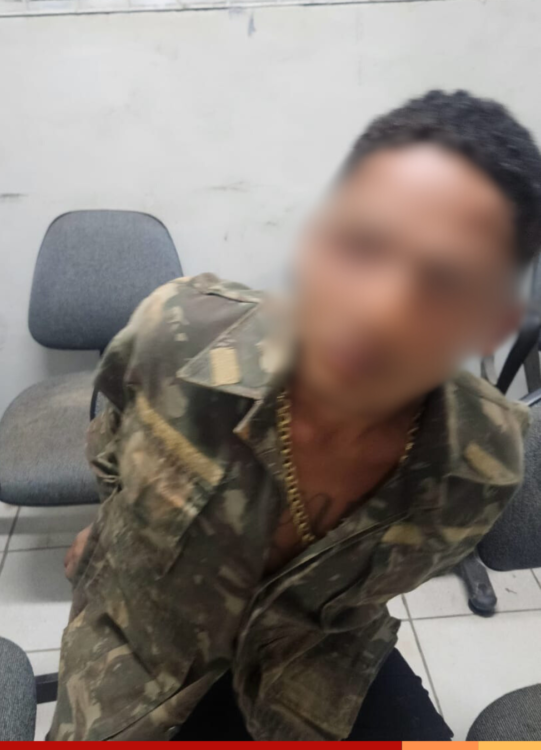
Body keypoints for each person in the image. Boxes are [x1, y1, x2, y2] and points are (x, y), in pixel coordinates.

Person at [50, 90, 541, 741]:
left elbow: (370, 591)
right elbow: (113, 435)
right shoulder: (179, 334)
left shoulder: (481, 464)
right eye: (366, 245)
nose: (382, 307)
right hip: (142, 639)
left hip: (315, 654)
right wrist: (110, 527)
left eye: (445, 281)